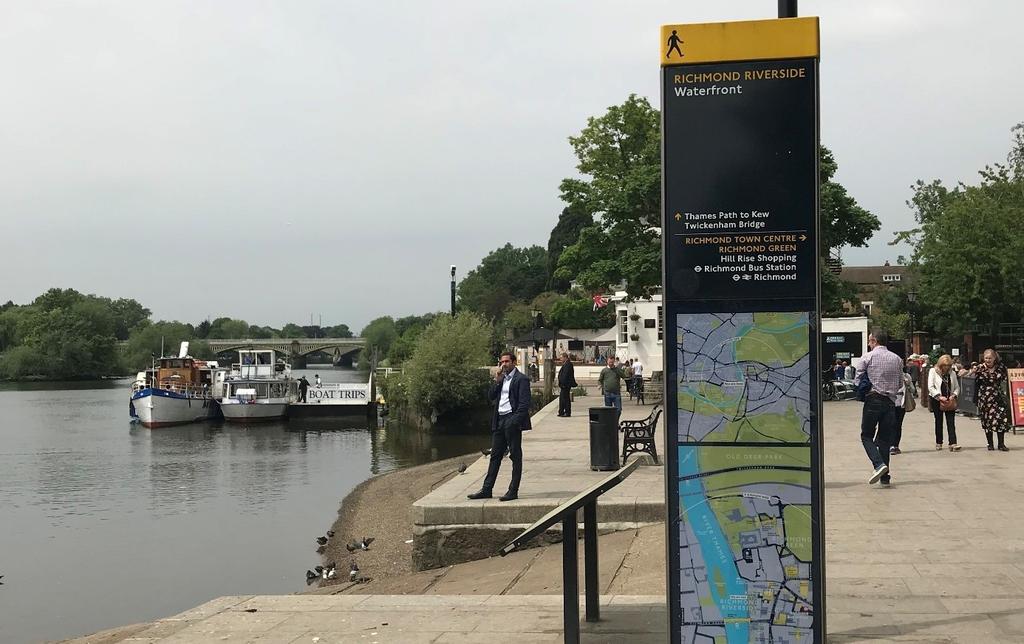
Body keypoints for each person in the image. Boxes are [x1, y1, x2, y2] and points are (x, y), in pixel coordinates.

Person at [467, 351, 531, 502]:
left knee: (515, 456)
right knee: (495, 456)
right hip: (499, 420)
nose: (504, 364)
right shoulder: (501, 379)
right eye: (502, 362)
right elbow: (490, 396)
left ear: (514, 362)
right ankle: (487, 489)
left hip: (511, 421)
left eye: (507, 361)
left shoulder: (521, 379)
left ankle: (513, 490)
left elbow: (524, 405)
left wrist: (513, 421)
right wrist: (497, 381)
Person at [854, 329, 905, 486]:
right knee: (884, 440)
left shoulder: (868, 357)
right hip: (890, 402)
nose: (869, 344)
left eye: (870, 341)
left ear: (874, 341)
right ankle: (885, 477)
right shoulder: (897, 359)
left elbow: (857, 379)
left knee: (866, 436)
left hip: (873, 399)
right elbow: (900, 383)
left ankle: (878, 464)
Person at [974, 348, 1011, 451]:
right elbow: (976, 384)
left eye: (990, 358)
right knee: (987, 421)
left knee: (1000, 419)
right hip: (984, 398)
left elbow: (1005, 380)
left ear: (994, 358)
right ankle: (990, 444)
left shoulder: (1001, 367)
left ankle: (1001, 444)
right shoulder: (979, 368)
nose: (988, 360)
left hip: (998, 397)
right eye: (986, 358)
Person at [928, 354, 961, 451]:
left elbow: (957, 387)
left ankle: (953, 443)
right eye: (944, 366)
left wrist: (954, 395)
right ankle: (939, 442)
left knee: (951, 421)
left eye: (948, 366)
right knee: (939, 421)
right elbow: (930, 386)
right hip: (937, 399)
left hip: (949, 399)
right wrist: (939, 396)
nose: (946, 368)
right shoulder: (933, 371)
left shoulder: (952, 373)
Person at [890, 371, 916, 455]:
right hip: (890, 402)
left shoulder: (906, 375)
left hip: (902, 403)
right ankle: (888, 444)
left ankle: (895, 445)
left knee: (898, 424)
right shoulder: (889, 374)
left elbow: (913, 390)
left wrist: (908, 384)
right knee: (890, 424)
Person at [557, 352, 577, 417]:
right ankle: (561, 411)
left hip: (565, 385)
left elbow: (565, 375)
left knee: (566, 399)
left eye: (561, 357)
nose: (560, 359)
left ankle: (567, 412)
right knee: (562, 399)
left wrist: (563, 383)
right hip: (563, 385)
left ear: (565, 357)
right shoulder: (565, 364)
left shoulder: (568, 364)